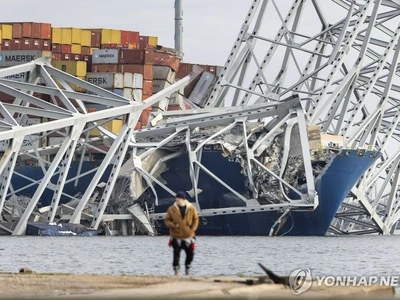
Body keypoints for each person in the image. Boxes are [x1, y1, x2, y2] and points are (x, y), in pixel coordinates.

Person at [164, 191, 199, 276]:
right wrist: (171, 224)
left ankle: (188, 267)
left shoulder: (191, 208)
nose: (177, 199)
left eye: (178, 198)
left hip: (188, 235)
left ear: (183, 199)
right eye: (176, 198)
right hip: (176, 235)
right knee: (176, 253)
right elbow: (167, 219)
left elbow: (196, 219)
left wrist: (192, 229)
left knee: (190, 253)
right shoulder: (172, 209)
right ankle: (176, 270)